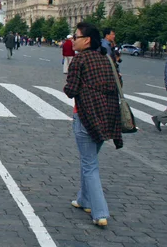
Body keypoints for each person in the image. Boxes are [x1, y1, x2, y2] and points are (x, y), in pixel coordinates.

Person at [63, 22, 122, 228]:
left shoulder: (79, 61)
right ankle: (84, 200)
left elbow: (70, 90)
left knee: (90, 165)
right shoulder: (106, 60)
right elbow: (117, 84)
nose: (73, 40)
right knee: (90, 161)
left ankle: (100, 212)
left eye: (76, 36)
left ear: (86, 40)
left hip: (86, 117)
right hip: (106, 118)